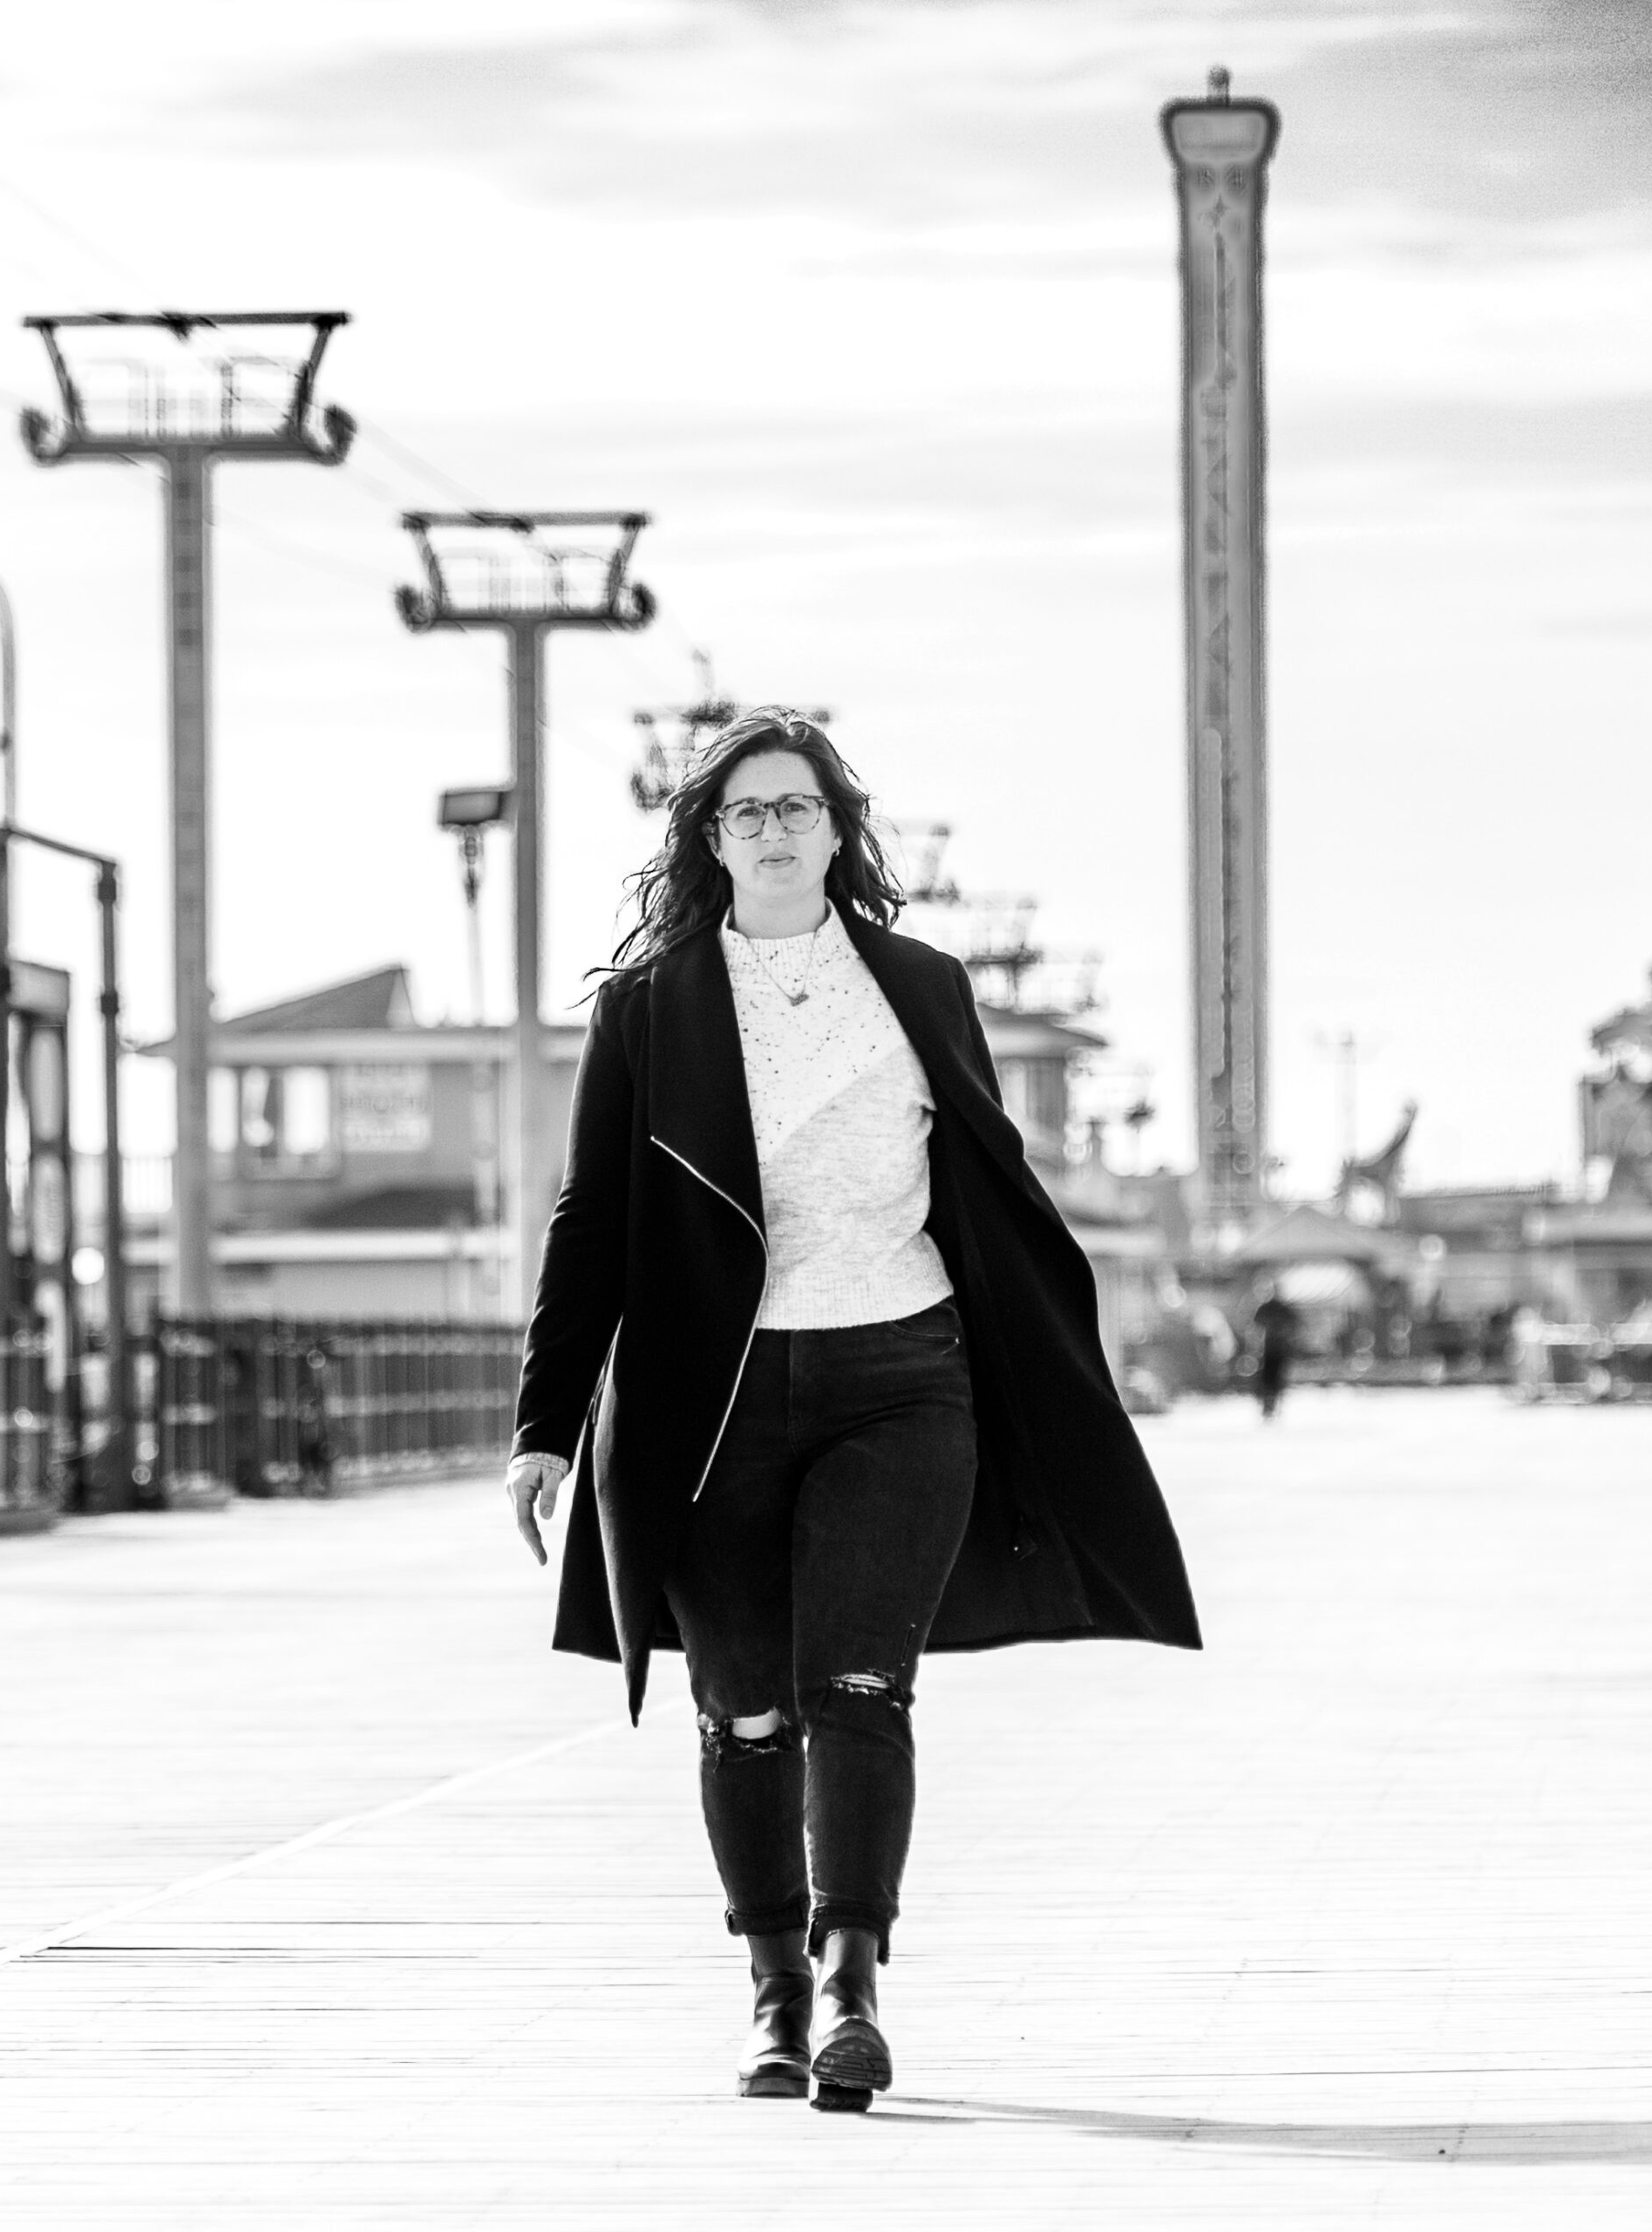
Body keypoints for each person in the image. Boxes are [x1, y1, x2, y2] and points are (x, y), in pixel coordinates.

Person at [503, 710, 1200, 2113]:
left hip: (901, 1374)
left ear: (837, 830)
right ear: (712, 839)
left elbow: (986, 1185)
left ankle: (849, 1986)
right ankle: (768, 1989)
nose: (773, 829)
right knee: (746, 1706)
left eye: (797, 807)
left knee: (863, 1685)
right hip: (712, 1403)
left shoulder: (925, 987)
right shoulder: (648, 1010)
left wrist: (1049, 1365)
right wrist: (543, 1423)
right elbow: (593, 1220)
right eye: (745, 811)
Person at [1251, 1283, 1297, 1419]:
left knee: (1275, 1379)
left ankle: (1273, 1406)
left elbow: (1293, 1325)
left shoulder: (1282, 1309)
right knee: (1268, 1379)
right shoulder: (1268, 1308)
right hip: (1268, 1349)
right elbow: (1256, 1324)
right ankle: (1268, 1406)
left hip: (1278, 1349)